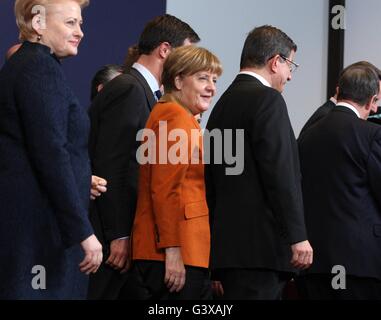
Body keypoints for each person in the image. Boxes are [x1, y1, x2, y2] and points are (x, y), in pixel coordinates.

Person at [87, 14, 200, 300]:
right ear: (165, 50)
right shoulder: (129, 88)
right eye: (186, 55)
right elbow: (112, 166)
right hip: (111, 239)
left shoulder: (146, 93)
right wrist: (119, 235)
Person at [0, 0, 102, 299]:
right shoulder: (38, 68)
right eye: (71, 23)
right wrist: (82, 231)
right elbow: (50, 154)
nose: (80, 32)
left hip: (32, 233)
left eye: (80, 23)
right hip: (40, 237)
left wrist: (83, 180)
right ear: (38, 23)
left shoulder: (31, 65)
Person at [205, 25, 313, 300]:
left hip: (228, 252)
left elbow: (211, 180)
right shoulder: (268, 100)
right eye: (290, 65)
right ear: (276, 62)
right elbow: (281, 173)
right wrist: (297, 236)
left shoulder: (221, 105)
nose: (290, 75)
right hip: (261, 252)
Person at [132, 45, 222, 300]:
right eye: (203, 78)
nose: (211, 87)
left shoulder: (173, 114)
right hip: (175, 251)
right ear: (179, 80)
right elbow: (163, 190)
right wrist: (172, 250)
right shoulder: (175, 116)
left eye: (214, 80)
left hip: (173, 250)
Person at [298, 63, 381, 299]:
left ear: (338, 90)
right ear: (370, 99)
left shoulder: (307, 135)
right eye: (375, 103)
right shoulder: (371, 135)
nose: (375, 109)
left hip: (313, 262)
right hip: (360, 264)